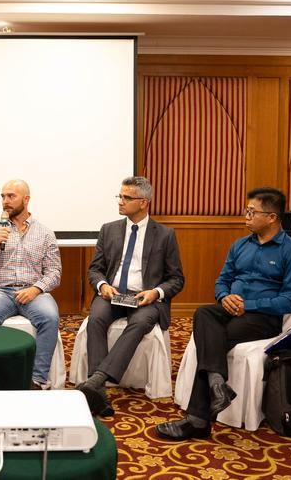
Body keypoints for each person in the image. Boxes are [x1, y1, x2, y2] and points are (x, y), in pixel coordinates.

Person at [156, 187, 291, 440]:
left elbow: (290, 301)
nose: (246, 216)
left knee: (213, 337)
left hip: (263, 319)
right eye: (246, 211)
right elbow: (222, 280)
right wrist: (224, 297)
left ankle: (198, 419)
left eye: (252, 212)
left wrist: (249, 305)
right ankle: (217, 382)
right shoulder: (239, 245)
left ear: (272, 217)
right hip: (229, 310)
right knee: (204, 314)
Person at [76, 176, 184, 415]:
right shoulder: (109, 229)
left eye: (127, 197)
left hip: (144, 299)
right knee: (95, 319)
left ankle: (97, 379)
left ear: (144, 202)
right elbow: (95, 268)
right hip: (112, 294)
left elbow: (177, 279)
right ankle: (99, 390)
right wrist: (102, 285)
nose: (121, 201)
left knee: (139, 323)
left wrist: (156, 293)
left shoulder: (165, 235)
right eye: (120, 196)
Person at [0, 179, 62, 389]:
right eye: (3, 196)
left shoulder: (45, 233)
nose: (5, 201)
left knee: (50, 317)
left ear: (26, 199)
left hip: (33, 290)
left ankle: (37, 380)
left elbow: (55, 272)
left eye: (11, 196)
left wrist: (36, 289)